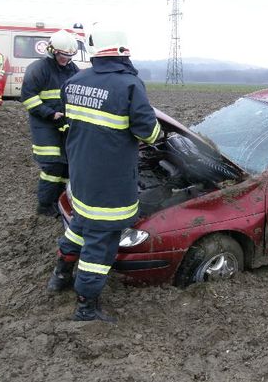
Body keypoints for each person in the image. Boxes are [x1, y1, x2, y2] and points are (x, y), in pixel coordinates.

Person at [46, 23, 160, 322]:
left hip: (81, 173)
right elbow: (149, 133)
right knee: (101, 245)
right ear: (123, 51)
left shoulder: (74, 81)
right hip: (110, 181)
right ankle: (86, 305)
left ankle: (59, 276)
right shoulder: (130, 86)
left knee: (80, 226)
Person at [21, 30, 79, 217]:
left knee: (66, 165)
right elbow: (28, 98)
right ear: (52, 51)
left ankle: (59, 201)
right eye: (63, 55)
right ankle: (45, 205)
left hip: (64, 123)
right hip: (44, 124)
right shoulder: (38, 69)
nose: (66, 60)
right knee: (52, 165)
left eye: (70, 56)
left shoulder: (73, 69)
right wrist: (51, 114)